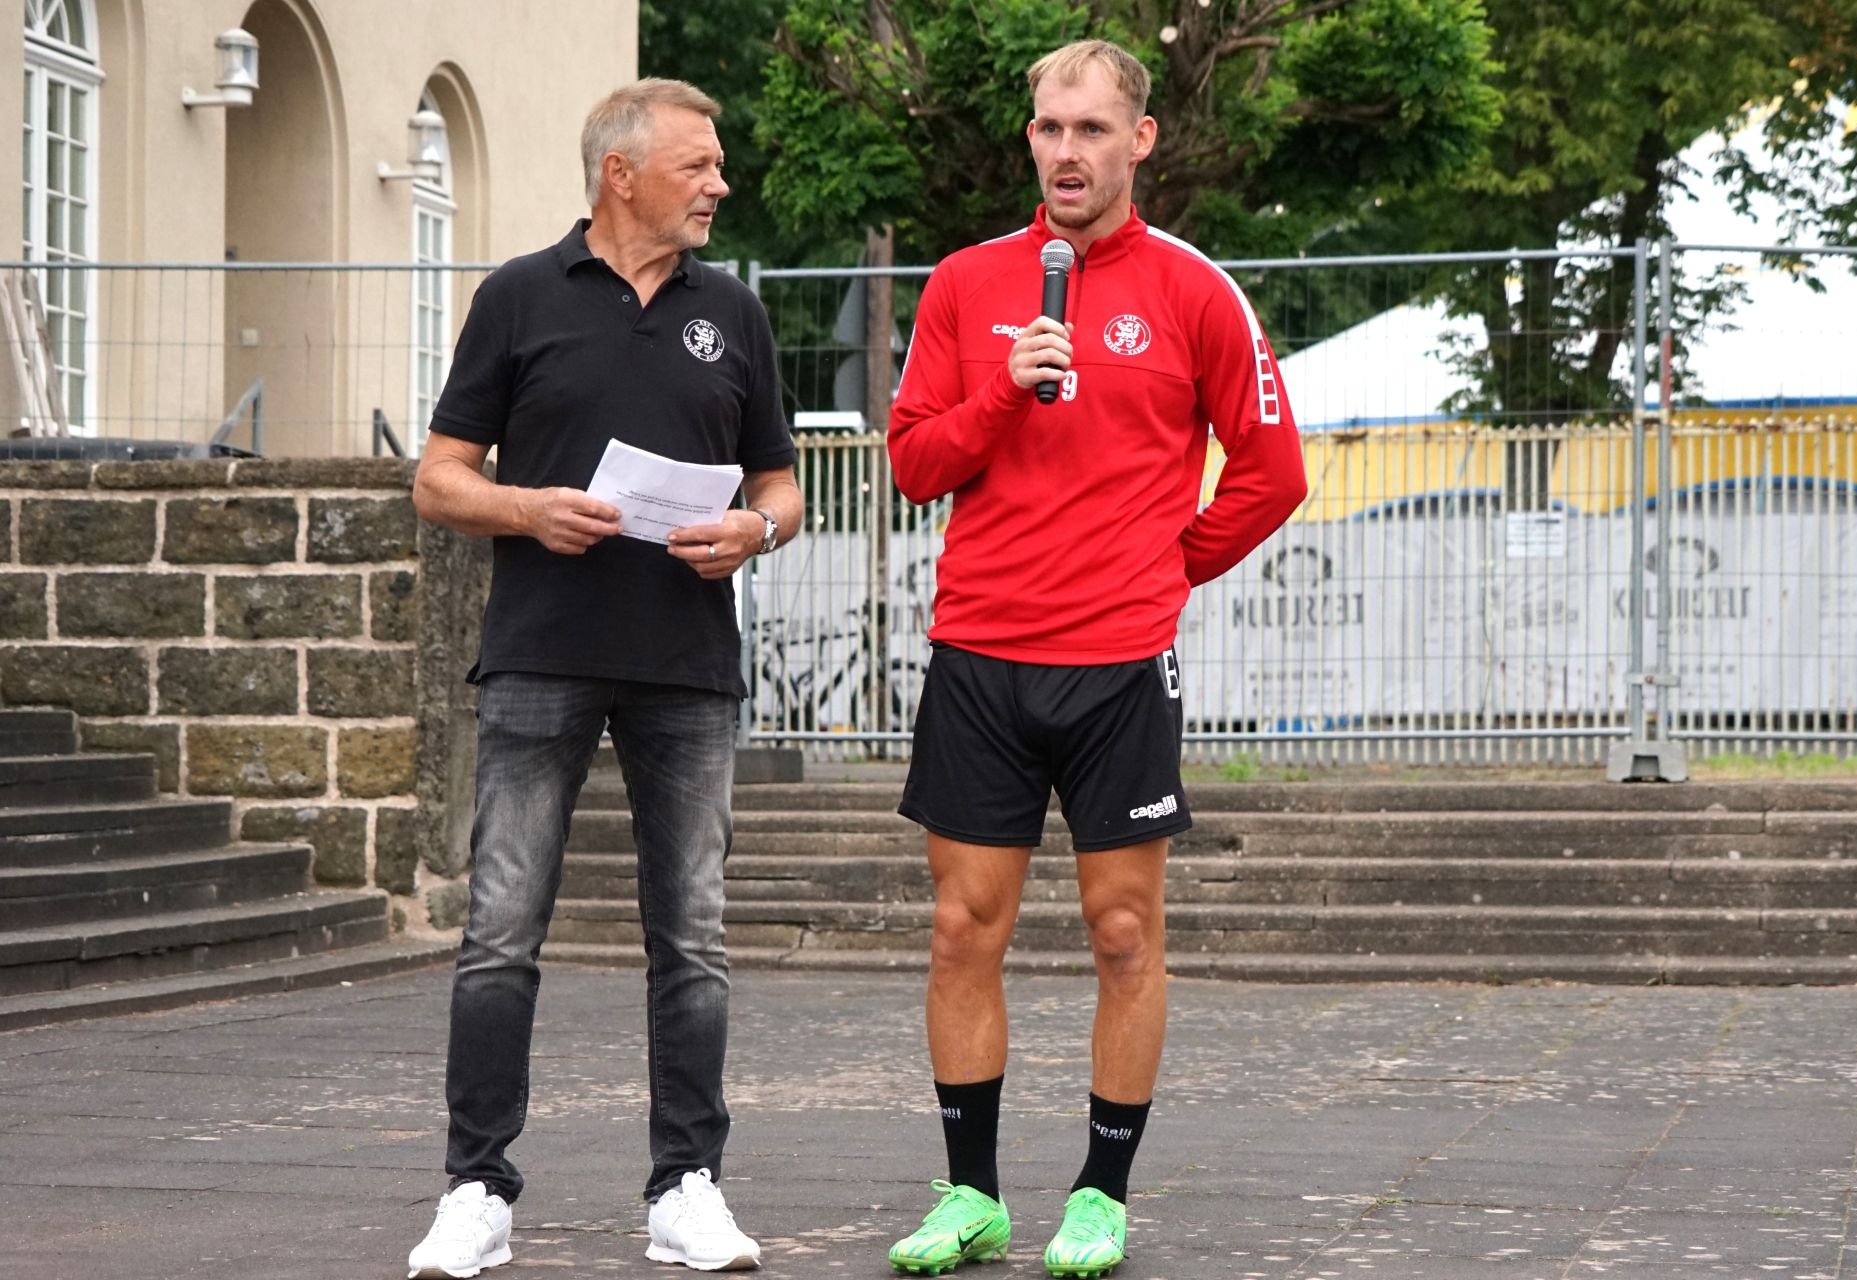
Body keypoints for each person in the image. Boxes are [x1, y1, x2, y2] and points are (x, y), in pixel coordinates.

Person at [883, 40, 1309, 1279]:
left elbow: (1274, 471)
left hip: (1119, 663)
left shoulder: (1194, 290)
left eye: (1090, 129)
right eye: (1048, 128)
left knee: (1123, 933)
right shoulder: (966, 284)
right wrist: (1001, 392)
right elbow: (913, 462)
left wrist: (1168, 568)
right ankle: (971, 1195)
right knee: (961, 929)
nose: (1066, 152)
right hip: (979, 654)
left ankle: (1101, 1195)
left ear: (1140, 140)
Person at [405, 78, 800, 1278]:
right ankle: (476, 1189)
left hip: (688, 664)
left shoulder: (733, 311)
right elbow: (438, 478)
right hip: (540, 651)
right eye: (698, 165)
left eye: (716, 164)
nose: (720, 183)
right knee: (500, 928)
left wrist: (755, 530)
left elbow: (779, 484)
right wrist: (528, 508)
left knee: (694, 936)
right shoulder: (518, 296)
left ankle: (687, 1187)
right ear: (620, 174)